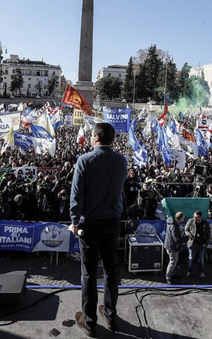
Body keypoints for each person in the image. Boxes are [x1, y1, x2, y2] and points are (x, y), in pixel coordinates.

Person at [69, 123, 127, 337]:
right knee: (111, 269)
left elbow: (76, 196)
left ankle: (90, 321)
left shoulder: (84, 160)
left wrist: (74, 221)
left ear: (95, 138)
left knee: (89, 273)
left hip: (90, 223)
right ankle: (111, 316)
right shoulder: (122, 160)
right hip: (113, 220)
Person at [185, 210, 211, 278]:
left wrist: (206, 244)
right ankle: (189, 271)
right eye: (194, 216)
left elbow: (208, 235)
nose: (195, 218)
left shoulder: (205, 224)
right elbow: (186, 230)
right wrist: (189, 235)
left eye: (196, 217)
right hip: (192, 244)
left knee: (201, 259)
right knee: (190, 258)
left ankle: (201, 272)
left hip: (202, 244)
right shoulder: (190, 221)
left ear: (200, 217)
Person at [164, 211, 186, 284]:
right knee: (173, 262)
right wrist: (187, 238)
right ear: (181, 218)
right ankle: (168, 277)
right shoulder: (174, 226)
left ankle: (173, 274)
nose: (184, 219)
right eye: (183, 218)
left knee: (174, 261)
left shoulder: (171, 223)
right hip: (172, 247)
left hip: (170, 245)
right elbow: (176, 239)